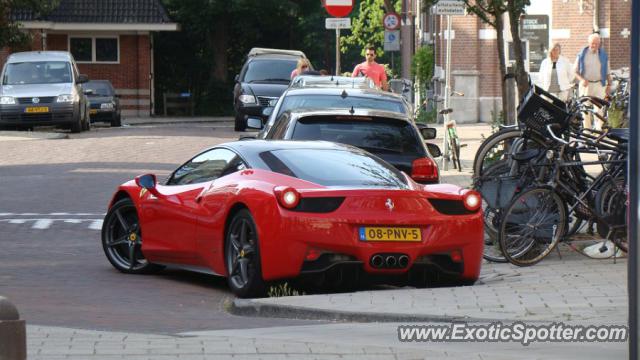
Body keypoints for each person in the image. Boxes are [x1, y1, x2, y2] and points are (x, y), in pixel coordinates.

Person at [574, 33, 612, 130]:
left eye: (596, 43)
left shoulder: (603, 55)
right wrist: (582, 80)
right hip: (586, 86)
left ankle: (598, 131)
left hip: (599, 85)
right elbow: (575, 71)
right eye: (592, 43)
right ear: (589, 43)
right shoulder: (582, 54)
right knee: (585, 109)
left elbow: (608, 72)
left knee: (599, 109)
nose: (594, 45)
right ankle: (587, 131)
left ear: (599, 43)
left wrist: (609, 85)